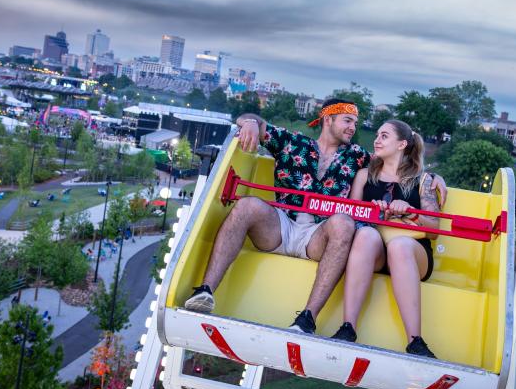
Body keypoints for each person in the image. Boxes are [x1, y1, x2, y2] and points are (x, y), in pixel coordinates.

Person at [184, 100, 447, 336]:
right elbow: (251, 119)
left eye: (355, 122)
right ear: (328, 119)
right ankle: (205, 291)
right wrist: (250, 122)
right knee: (247, 205)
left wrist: (433, 178)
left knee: (343, 222)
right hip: (280, 226)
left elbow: (398, 165)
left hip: (318, 236)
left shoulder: (356, 157)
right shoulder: (293, 143)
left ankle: (307, 318)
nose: (353, 127)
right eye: (348, 121)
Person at [330, 120, 441, 358]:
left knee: (400, 246)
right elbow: (350, 218)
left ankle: (416, 341)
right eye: (377, 135)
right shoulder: (363, 176)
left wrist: (411, 212)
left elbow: (434, 230)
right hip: (375, 251)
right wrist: (372, 210)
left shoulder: (424, 181)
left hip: (413, 253)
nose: (377, 140)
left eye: (384, 136)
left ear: (402, 144)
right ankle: (347, 328)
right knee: (366, 234)